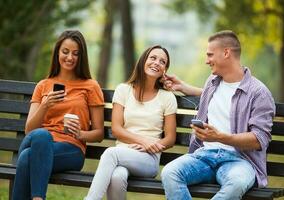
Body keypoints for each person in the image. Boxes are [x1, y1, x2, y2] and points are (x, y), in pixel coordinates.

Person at [161, 30, 276, 200]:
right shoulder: (212, 82)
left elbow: (259, 139)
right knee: (170, 173)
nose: (206, 60)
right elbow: (217, 96)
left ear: (226, 53)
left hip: (239, 161)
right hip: (204, 156)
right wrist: (184, 87)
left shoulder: (259, 93)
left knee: (236, 184)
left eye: (210, 55)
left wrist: (220, 137)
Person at [12, 30, 105, 200]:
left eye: (75, 53)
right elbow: (29, 130)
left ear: (81, 57)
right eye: (65, 51)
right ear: (57, 53)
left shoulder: (91, 86)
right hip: (40, 141)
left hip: (71, 150)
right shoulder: (43, 85)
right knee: (40, 135)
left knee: (27, 157)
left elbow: (99, 133)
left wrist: (80, 134)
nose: (70, 57)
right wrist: (45, 105)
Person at [84, 45, 177, 200]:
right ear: (143, 61)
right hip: (122, 152)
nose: (157, 63)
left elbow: (170, 138)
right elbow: (116, 129)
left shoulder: (167, 98)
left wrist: (149, 146)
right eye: (153, 58)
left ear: (164, 70)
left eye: (162, 62)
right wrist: (143, 141)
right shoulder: (123, 90)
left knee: (110, 153)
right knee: (116, 177)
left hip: (148, 158)